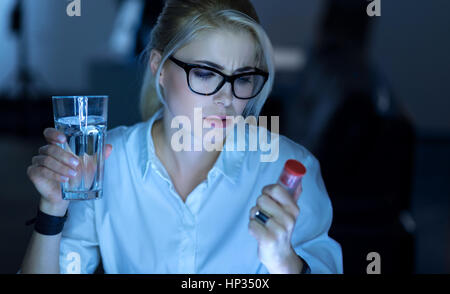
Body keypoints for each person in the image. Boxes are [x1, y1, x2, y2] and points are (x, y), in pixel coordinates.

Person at [20, 0, 342, 274]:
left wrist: (286, 263)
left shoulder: (288, 170)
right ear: (159, 67)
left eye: (243, 78)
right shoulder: (107, 162)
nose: (227, 98)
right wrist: (53, 209)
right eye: (205, 73)